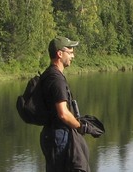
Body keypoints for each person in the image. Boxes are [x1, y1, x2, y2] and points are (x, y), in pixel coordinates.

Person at [40, 36, 91, 171]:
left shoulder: (47, 74)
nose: (73, 56)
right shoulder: (57, 79)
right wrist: (80, 126)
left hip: (50, 134)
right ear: (59, 53)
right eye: (70, 52)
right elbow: (63, 113)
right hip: (58, 136)